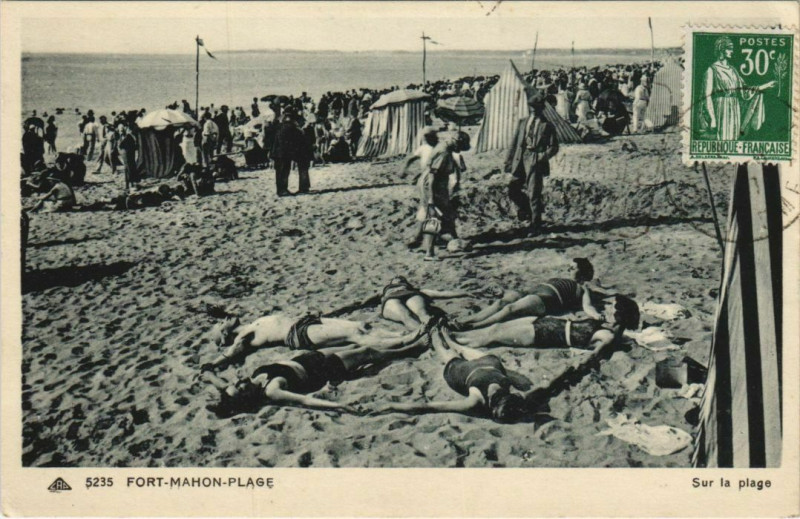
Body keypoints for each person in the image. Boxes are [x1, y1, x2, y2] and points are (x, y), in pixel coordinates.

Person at [204, 336, 429, 418]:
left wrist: (208, 374)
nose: (238, 382)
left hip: (309, 358)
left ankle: (404, 339)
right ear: (248, 395)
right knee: (367, 354)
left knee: (356, 344)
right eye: (240, 388)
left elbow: (225, 388)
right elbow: (306, 401)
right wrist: (340, 406)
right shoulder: (271, 390)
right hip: (326, 369)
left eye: (235, 384)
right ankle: (411, 348)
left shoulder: (249, 382)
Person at [370, 325, 528, 423]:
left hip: (461, 371)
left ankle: (434, 334)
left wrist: (391, 406)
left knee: (444, 350)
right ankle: (450, 339)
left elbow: (431, 407)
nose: (495, 390)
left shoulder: (475, 401)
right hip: (489, 363)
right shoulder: (513, 394)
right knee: (477, 354)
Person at [201, 312, 425, 372]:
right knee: (353, 335)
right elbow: (232, 353)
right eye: (221, 325)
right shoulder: (243, 336)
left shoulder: (253, 323)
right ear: (225, 334)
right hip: (299, 335)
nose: (225, 320)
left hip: (305, 323)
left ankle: (400, 338)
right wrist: (214, 364)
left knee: (359, 328)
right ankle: (406, 340)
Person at [438, 295, 640, 354]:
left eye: (612, 308)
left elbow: (594, 353)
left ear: (619, 315)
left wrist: (584, 350)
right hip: (547, 323)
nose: (607, 309)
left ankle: (450, 341)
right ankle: (450, 338)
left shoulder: (608, 336)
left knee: (493, 335)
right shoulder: (605, 326)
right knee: (493, 329)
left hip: (544, 336)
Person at [452, 258, 613, 330]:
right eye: (569, 267)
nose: (569, 269)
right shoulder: (560, 277)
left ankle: (474, 326)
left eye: (573, 268)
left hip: (546, 299)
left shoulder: (583, 288)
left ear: (583, 274)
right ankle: (465, 321)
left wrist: (597, 315)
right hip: (532, 291)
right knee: (500, 303)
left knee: (510, 310)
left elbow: (588, 306)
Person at [702, 35, 775, 141]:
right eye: (729, 49)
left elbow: (745, 90)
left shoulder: (733, 70)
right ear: (721, 50)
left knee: (733, 139)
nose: (732, 51)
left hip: (734, 107)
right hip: (721, 108)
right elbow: (707, 97)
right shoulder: (711, 70)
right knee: (722, 140)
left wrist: (766, 85)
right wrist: (712, 118)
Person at [506, 92, 559, 235]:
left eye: (536, 108)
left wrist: (542, 156)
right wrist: (508, 161)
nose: (533, 111)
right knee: (513, 189)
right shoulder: (523, 122)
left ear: (541, 108)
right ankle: (527, 212)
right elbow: (515, 143)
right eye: (531, 108)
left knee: (534, 193)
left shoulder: (547, 126)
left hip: (536, 158)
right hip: (520, 158)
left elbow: (554, 147)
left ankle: (536, 226)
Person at [380, 276, 475, 330]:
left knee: (423, 313)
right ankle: (424, 333)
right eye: (396, 278)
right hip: (391, 299)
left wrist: (463, 293)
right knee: (405, 316)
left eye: (401, 278)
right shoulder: (386, 290)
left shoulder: (413, 289)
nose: (398, 278)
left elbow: (440, 293)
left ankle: (432, 331)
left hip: (410, 295)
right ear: (391, 282)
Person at [271, 110, 310, 196]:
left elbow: (275, 141)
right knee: (284, 172)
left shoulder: (279, 127)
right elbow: (295, 143)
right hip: (285, 154)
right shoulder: (293, 128)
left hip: (277, 153)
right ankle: (284, 190)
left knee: (279, 173)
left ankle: (281, 190)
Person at [116, 123, 138, 190]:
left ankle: (129, 184)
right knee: (129, 167)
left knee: (129, 167)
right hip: (127, 153)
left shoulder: (128, 136)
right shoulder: (127, 136)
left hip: (128, 153)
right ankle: (129, 184)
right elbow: (120, 145)